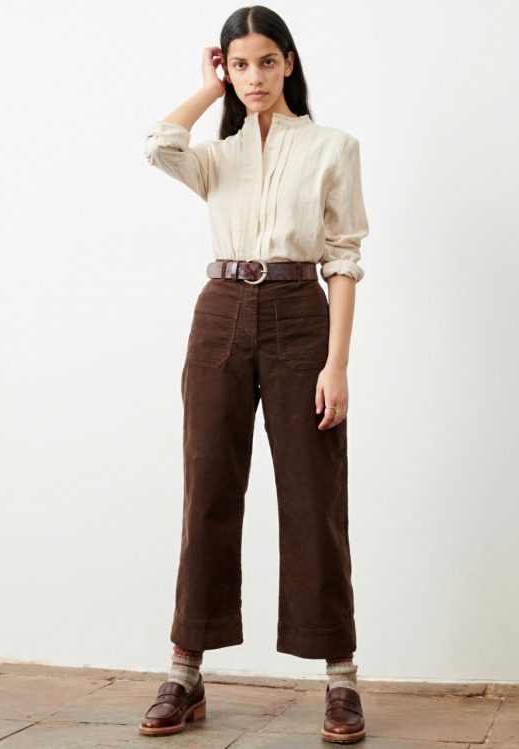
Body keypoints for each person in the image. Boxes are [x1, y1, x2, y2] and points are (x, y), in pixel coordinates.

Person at [138, 5, 369, 744]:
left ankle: (340, 678)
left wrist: (336, 363)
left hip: (300, 315)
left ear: (288, 63)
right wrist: (210, 91)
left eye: (266, 61)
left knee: (313, 495)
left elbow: (343, 257)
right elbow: (158, 143)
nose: (254, 76)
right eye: (239, 65)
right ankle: (185, 672)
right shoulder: (217, 156)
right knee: (207, 487)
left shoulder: (333, 147)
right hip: (221, 314)